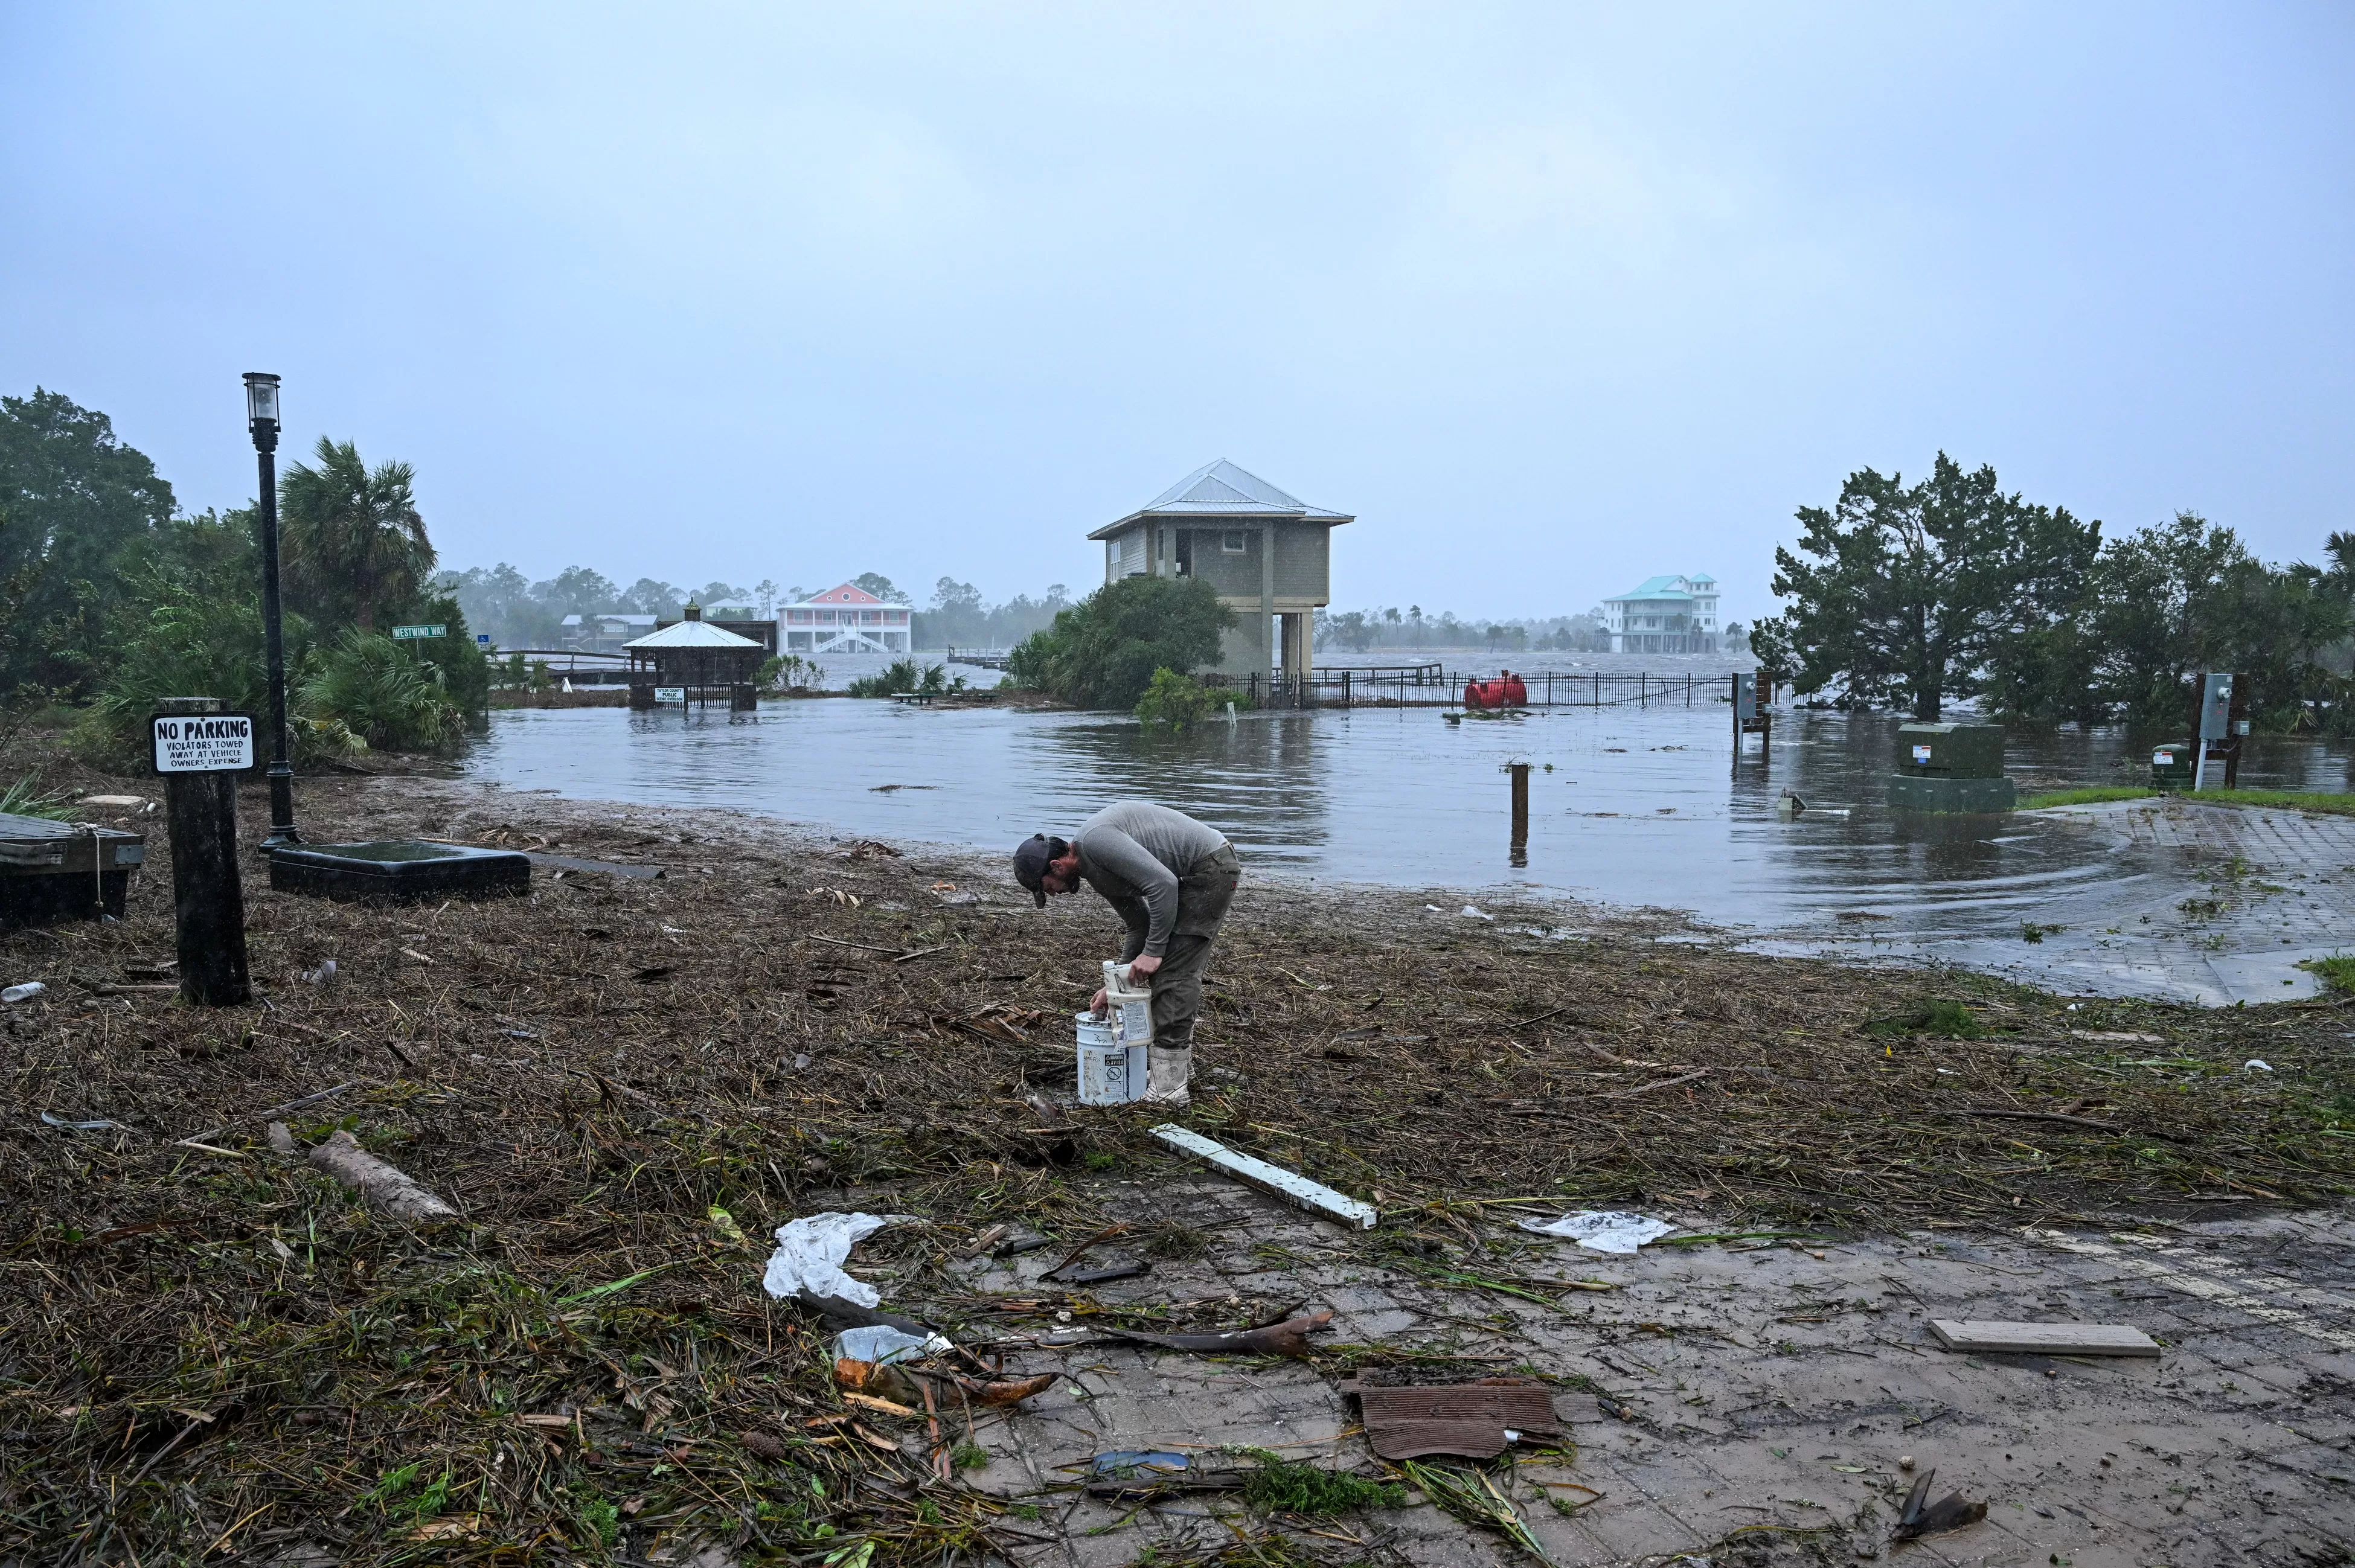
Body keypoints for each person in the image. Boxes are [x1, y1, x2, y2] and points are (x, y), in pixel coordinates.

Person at [1011, 800, 1241, 1104]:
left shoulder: (1095, 842)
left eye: (1047, 887)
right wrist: (1116, 987)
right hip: (1192, 875)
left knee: (1174, 974)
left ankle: (1170, 1089)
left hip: (1209, 868)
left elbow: (1163, 884)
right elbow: (1139, 924)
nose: (1052, 894)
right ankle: (1171, 1071)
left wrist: (1154, 952)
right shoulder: (1095, 871)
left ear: (1056, 866)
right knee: (1166, 973)